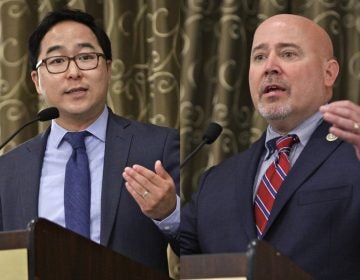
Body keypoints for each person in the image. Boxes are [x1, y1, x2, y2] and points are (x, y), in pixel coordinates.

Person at [181, 14, 360, 279]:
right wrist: (163, 212)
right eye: (259, 57)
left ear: (328, 73)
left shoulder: (354, 154)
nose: (270, 67)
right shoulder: (215, 182)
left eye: (288, 54)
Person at [0, 9, 179, 274]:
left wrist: (170, 214)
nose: (73, 72)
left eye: (85, 57)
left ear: (107, 68)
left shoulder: (158, 146)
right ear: (37, 81)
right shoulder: (8, 170)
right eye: (57, 61)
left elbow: (201, 247)